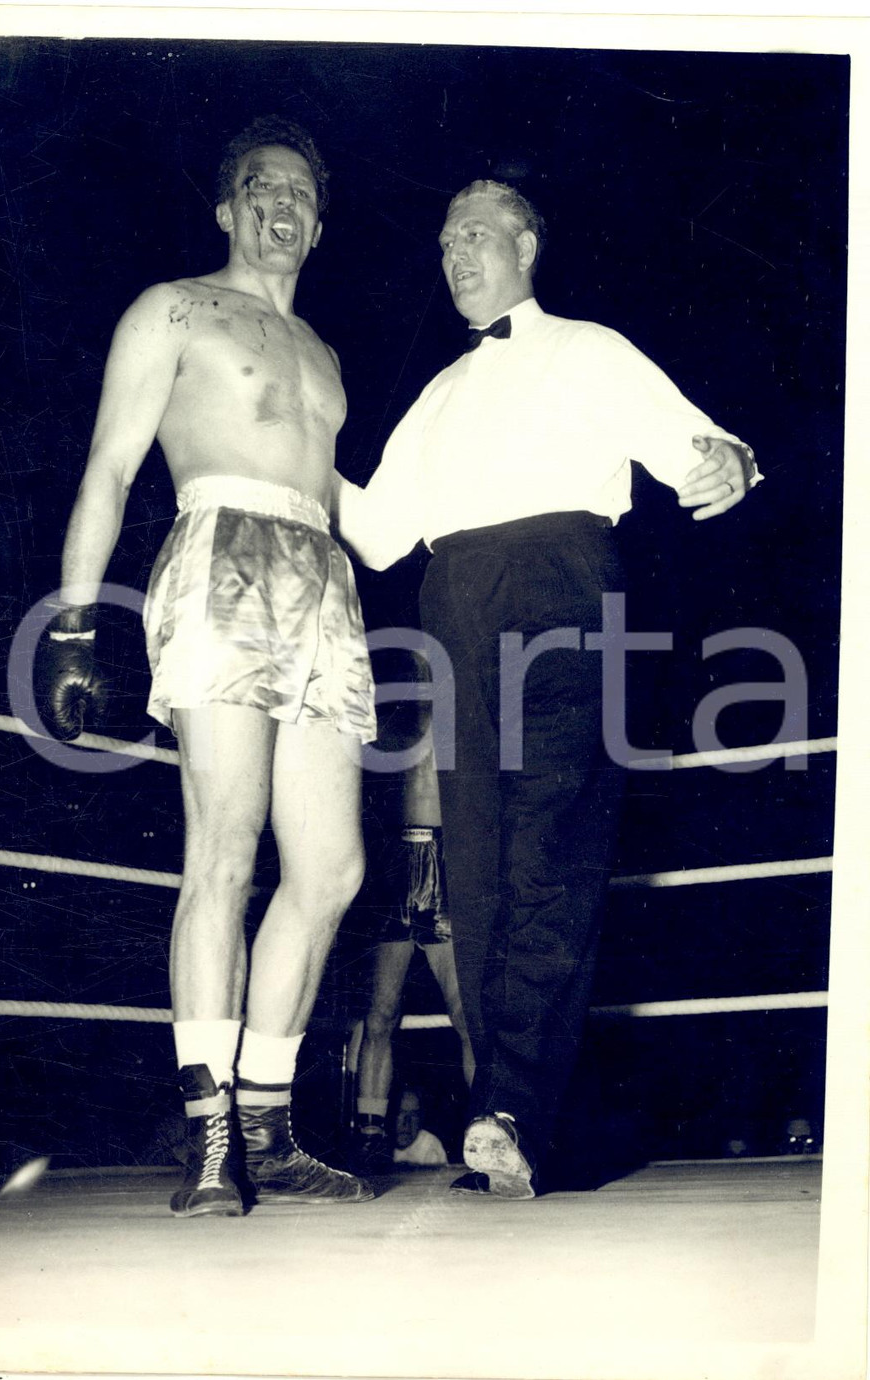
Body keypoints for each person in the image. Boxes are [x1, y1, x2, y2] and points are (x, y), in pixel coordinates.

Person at [334, 178, 759, 1200]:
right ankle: (506, 1112)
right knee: (476, 862)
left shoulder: (589, 349)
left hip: (564, 580)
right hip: (453, 596)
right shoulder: (437, 392)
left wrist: (729, 464)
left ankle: (512, 1105)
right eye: (444, 242)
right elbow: (378, 534)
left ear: (525, 246)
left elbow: (701, 449)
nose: (455, 255)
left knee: (553, 843)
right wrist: (281, 452)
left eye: (474, 235)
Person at [35, 117, 377, 1217]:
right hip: (220, 551)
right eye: (263, 186)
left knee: (330, 870)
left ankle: (268, 1128)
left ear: (318, 225)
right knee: (224, 846)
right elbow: (109, 466)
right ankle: (210, 1134)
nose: (285, 204)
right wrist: (73, 622)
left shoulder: (322, 353)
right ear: (229, 208)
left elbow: (347, 503)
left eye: (303, 193)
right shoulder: (173, 309)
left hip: (322, 576)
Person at [348, 701, 474, 1174]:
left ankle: (485, 1126)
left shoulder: (464, 696)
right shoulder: (382, 696)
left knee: (466, 1013)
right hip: (391, 856)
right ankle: (369, 1136)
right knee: (380, 1013)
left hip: (446, 854)